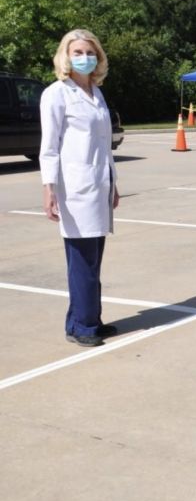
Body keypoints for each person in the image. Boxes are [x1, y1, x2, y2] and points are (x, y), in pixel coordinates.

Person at [39, 29, 120, 348]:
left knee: (93, 259)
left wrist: (113, 183)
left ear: (98, 58)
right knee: (82, 260)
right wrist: (49, 188)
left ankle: (87, 320)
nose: (84, 58)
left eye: (90, 52)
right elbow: (49, 147)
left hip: (99, 185)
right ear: (65, 56)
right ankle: (82, 326)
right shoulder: (56, 94)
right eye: (77, 52)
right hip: (74, 188)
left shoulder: (96, 93)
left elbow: (104, 145)